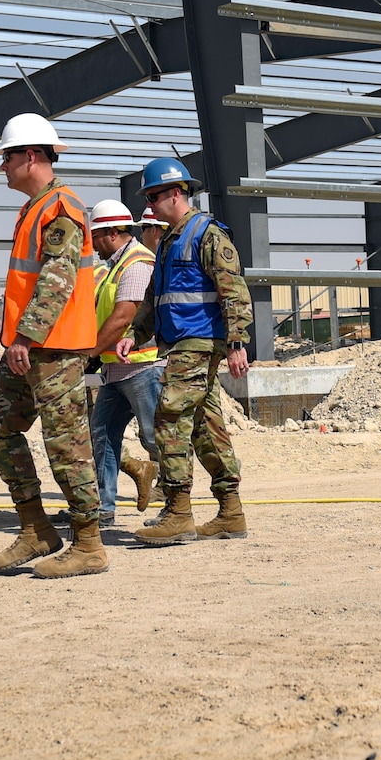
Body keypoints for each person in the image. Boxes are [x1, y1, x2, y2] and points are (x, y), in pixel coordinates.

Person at [0, 113, 109, 578]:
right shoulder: (35, 208)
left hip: (53, 349)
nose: (3, 167)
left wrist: (27, 337)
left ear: (32, 156)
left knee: (66, 444)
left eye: (8, 157)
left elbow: (57, 280)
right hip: (30, 348)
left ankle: (89, 544)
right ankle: (37, 529)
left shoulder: (60, 209)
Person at [129, 156, 254, 544]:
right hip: (181, 343)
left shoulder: (207, 233)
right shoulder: (168, 240)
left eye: (153, 196)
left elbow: (233, 289)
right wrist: (134, 336)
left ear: (176, 192)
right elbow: (155, 297)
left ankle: (179, 511)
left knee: (168, 417)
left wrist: (237, 343)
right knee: (205, 425)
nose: (149, 205)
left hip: (199, 342)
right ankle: (230, 512)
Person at [86, 199, 161, 526]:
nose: (92, 244)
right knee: (101, 433)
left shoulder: (137, 262)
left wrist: (88, 353)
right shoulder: (114, 266)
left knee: (156, 436)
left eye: (96, 236)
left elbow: (123, 317)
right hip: (116, 369)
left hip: (143, 366)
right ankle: (104, 507)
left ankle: (175, 502)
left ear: (112, 232)